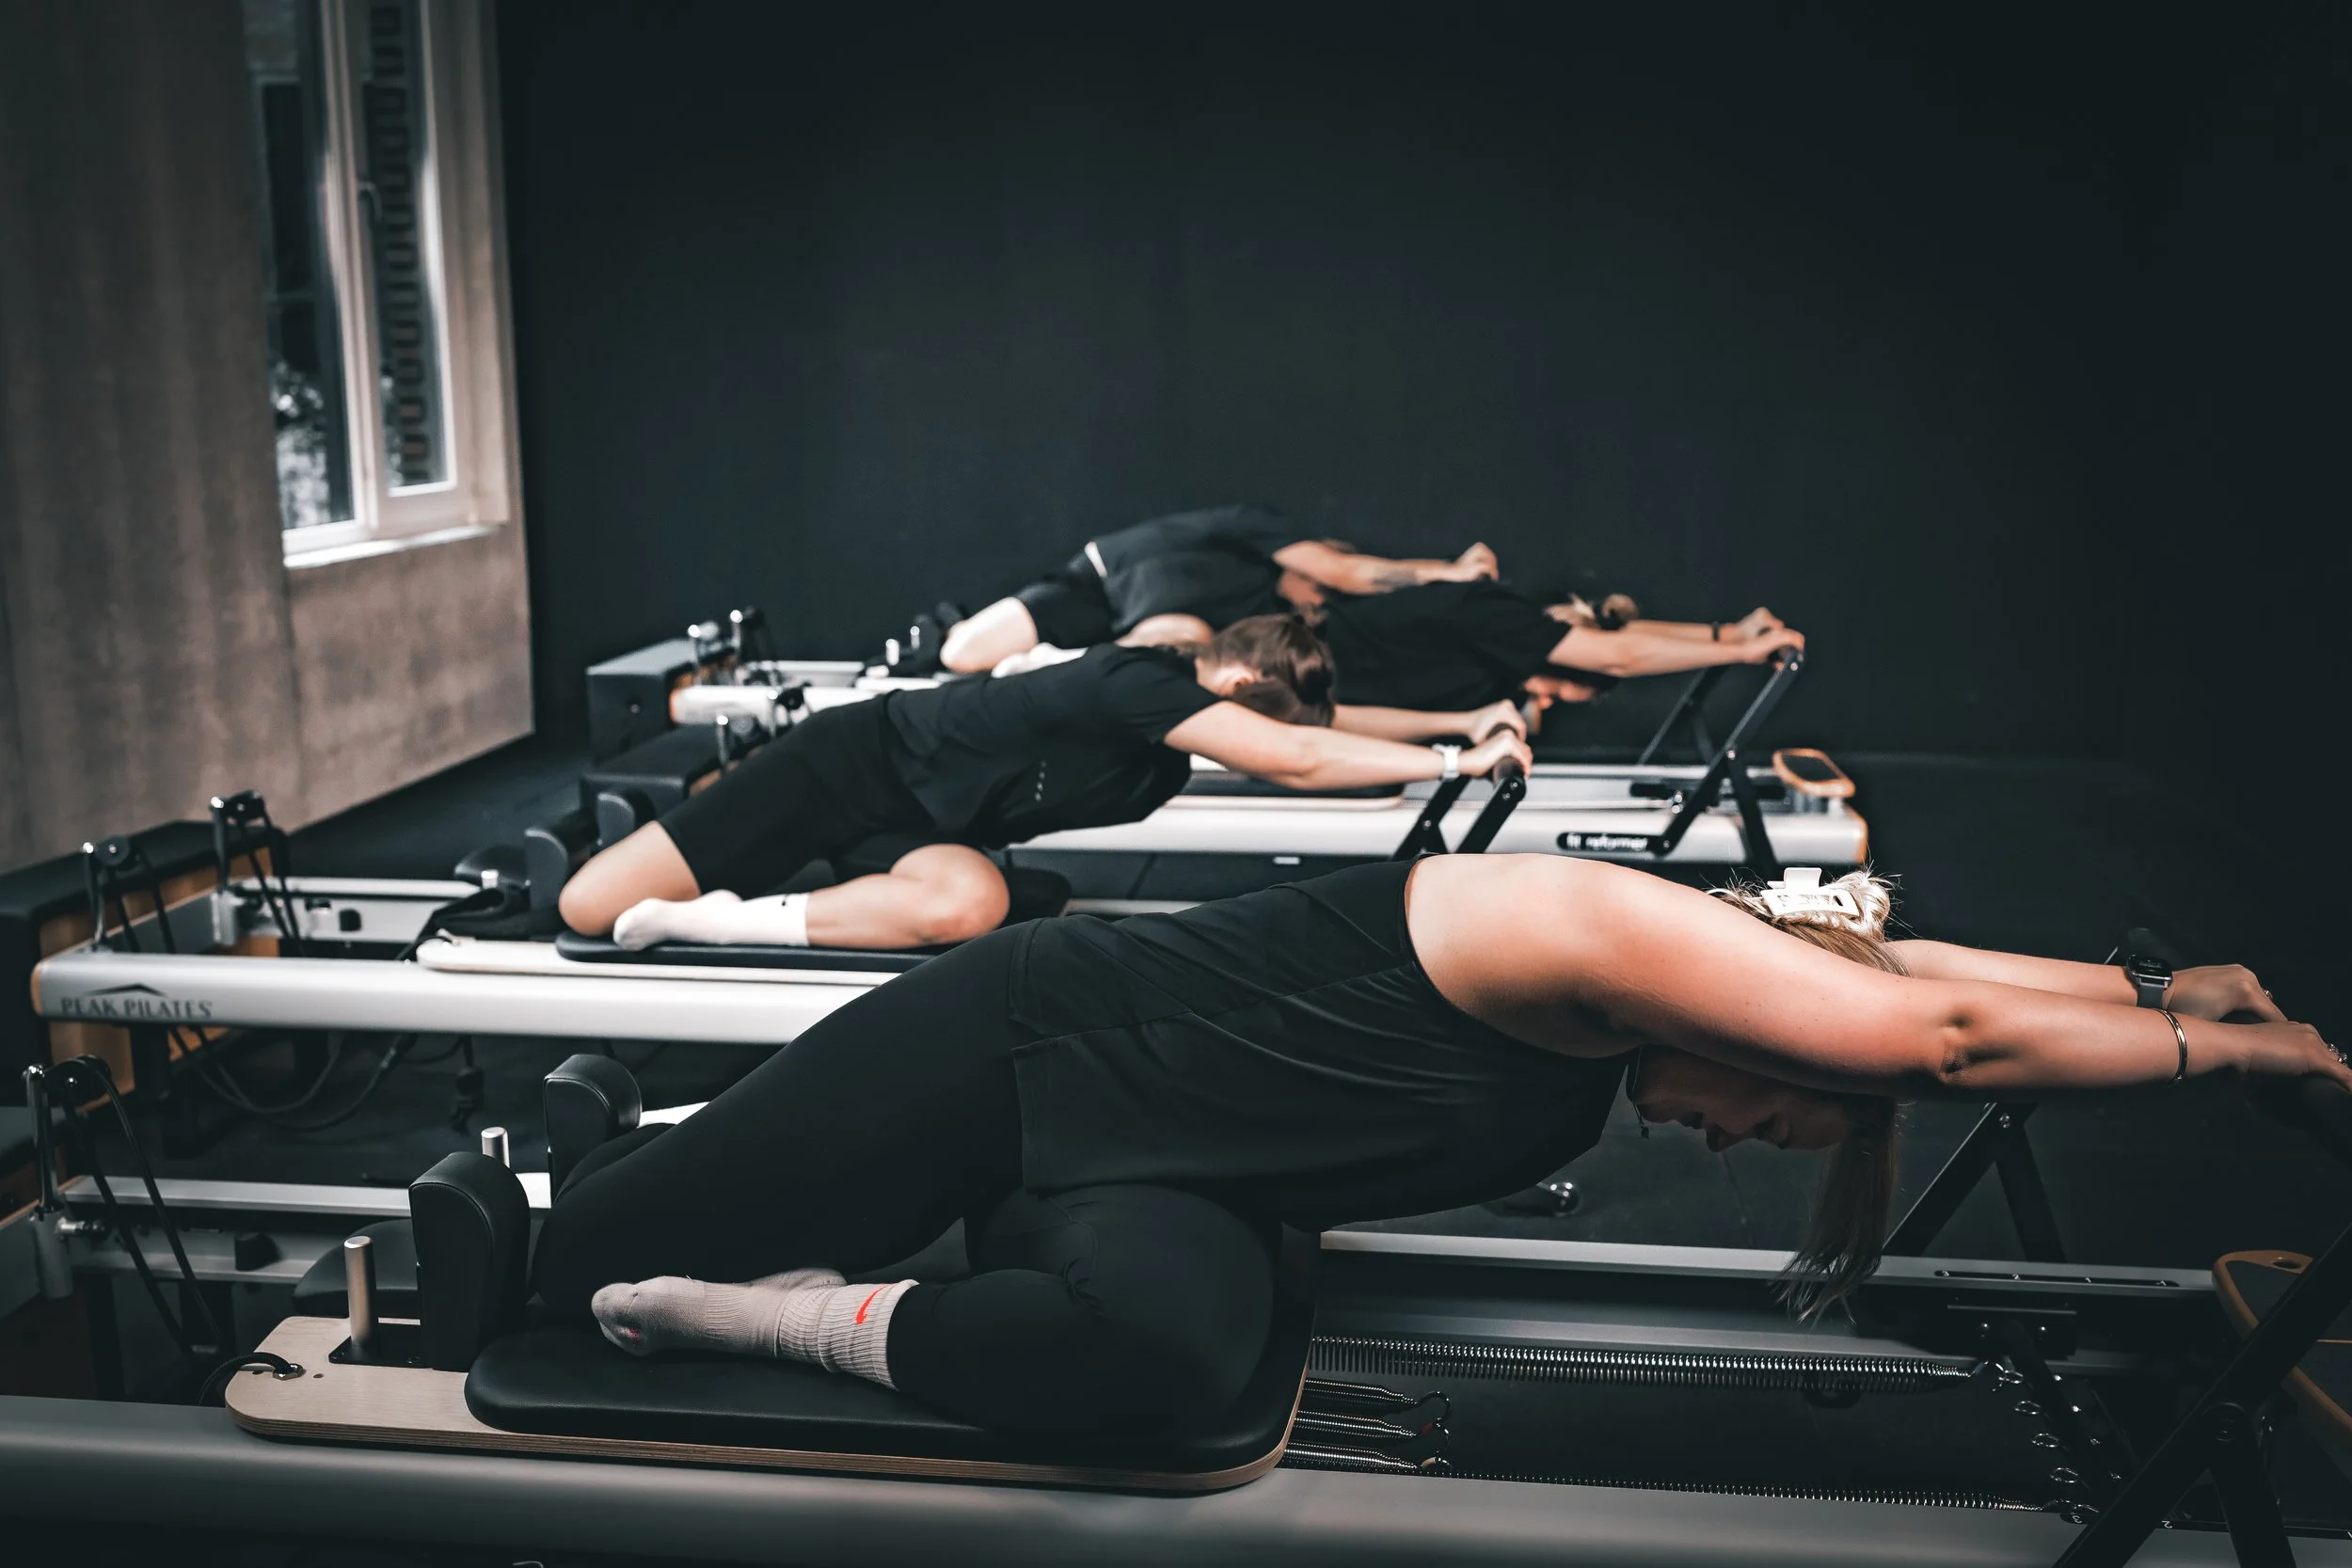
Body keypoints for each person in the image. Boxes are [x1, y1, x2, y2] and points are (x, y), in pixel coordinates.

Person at [533, 855, 2344, 1434]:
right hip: (1005, 1053)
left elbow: (1914, 968)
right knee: (537, 1283)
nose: (1736, 1138)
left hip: (1151, 1174)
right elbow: (1926, 1026)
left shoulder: (1657, 1006)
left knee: (1168, 1359)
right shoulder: (1596, 939)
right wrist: (2226, 1049)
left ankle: (757, 1311)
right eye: (1785, 1119)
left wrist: (2167, 984)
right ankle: (609, 1151)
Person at [558, 614, 1530, 951]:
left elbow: (1322, 732)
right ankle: (665, 863)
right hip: (843, 765)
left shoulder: (1164, 747)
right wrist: (1457, 763)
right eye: (1252, 717)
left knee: (970, 901)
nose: (1249, 741)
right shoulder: (1137, 678)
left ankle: (712, 917)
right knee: (587, 904)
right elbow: (1301, 754)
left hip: (914, 823)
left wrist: (1464, 720)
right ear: (1234, 684)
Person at [935, 503, 1500, 674]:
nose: (1319, 601)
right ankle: (1055, 663)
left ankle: (1057, 667)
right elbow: (1352, 573)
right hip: (1097, 582)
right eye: (1318, 589)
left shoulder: (1261, 613)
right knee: (959, 653)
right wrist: (1451, 571)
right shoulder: (1262, 531)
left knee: (1177, 645)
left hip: (1150, 630)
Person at [1308, 578, 1805, 726]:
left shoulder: (1504, 646)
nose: (1542, 703)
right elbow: (1619, 655)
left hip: (1309, 696)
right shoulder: (1496, 616)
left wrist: (1731, 635)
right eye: (1555, 692)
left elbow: (1619, 638)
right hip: (1284, 662)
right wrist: (1742, 653)